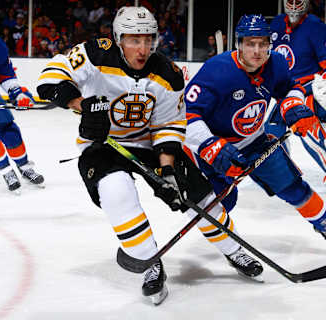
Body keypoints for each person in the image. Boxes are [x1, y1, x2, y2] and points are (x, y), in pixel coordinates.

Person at [36, 6, 262, 306]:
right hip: (103, 145)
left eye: (148, 40)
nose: (142, 48)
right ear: (119, 38)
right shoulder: (96, 53)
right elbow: (51, 76)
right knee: (117, 192)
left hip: (149, 145)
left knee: (201, 197)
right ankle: (148, 259)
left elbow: (169, 125)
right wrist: (80, 104)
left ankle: (233, 249)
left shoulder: (168, 73)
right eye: (133, 40)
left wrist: (168, 172)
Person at [184, 14, 326, 265]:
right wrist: (209, 144)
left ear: (270, 43)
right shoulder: (217, 70)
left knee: (295, 188)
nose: (257, 51)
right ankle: (232, 251)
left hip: (255, 142)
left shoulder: (276, 64)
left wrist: (292, 105)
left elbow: (290, 87)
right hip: (216, 147)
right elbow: (188, 115)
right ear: (239, 44)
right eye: (250, 43)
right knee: (220, 201)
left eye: (262, 43)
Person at [266, 0, 326, 191]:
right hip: (285, 93)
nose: (294, 5)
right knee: (271, 133)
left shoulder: (316, 27)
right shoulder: (276, 25)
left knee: (310, 129)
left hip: (308, 89)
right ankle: (281, 172)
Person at [0, 6, 44, 193]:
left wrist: (18, 94)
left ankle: (24, 167)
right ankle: (6, 170)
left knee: (8, 126)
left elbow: (6, 76)